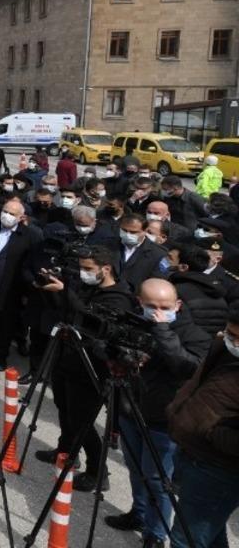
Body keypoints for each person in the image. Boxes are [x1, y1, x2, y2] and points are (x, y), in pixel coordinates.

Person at [104, 278, 210, 548]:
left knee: (157, 479)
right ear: (139, 303)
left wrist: (162, 330)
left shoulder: (194, 334)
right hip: (131, 407)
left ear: (178, 305)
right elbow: (108, 351)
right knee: (136, 469)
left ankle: (156, 533)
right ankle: (138, 514)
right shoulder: (133, 322)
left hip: (164, 420)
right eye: (151, 306)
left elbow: (186, 367)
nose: (158, 311)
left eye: (165, 306)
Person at [33, 244, 135, 492]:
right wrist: (51, 288)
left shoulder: (119, 297)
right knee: (64, 408)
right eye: (81, 268)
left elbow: (93, 323)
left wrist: (67, 292)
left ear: (106, 269)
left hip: (92, 367)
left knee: (82, 420)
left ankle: (97, 470)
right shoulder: (87, 288)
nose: (84, 273)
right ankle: (66, 450)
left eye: (88, 269)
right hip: (68, 356)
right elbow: (67, 311)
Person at [166, 302, 239, 548]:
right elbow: (198, 382)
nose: (234, 342)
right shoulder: (223, 348)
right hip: (191, 453)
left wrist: (210, 433)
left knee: (185, 539)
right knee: (210, 535)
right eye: (231, 334)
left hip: (220, 469)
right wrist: (179, 411)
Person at [0, 198, 42, 370]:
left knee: (7, 323)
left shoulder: (30, 236)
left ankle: (1, 356)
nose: (6, 216)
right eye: (4, 211)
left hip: (11, 288)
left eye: (12, 214)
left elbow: (32, 264)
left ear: (21, 218)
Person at [116, 214, 171, 292]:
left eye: (133, 232)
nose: (127, 235)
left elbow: (157, 282)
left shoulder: (159, 254)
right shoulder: (107, 245)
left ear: (145, 231)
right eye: (124, 230)